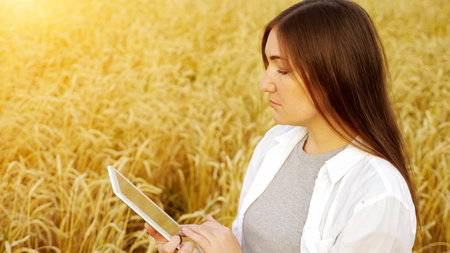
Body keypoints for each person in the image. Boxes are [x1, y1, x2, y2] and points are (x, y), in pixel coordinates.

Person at [145, 0, 418, 252]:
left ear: (334, 74)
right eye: (267, 65)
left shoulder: (378, 195)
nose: (265, 84)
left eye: (283, 70)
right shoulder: (277, 144)